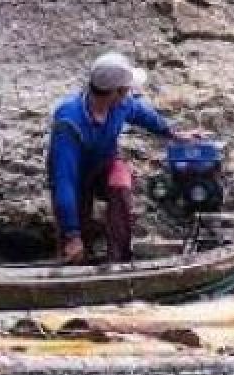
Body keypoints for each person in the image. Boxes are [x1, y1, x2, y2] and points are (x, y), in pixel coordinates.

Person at [47, 51, 204, 264]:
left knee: (120, 182)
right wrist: (72, 235)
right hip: (75, 177)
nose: (130, 94)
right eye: (127, 89)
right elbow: (63, 181)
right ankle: (75, 263)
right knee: (75, 239)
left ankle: (119, 260)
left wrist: (172, 134)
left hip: (105, 165)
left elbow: (143, 114)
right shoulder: (69, 122)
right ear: (116, 92)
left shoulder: (121, 104)